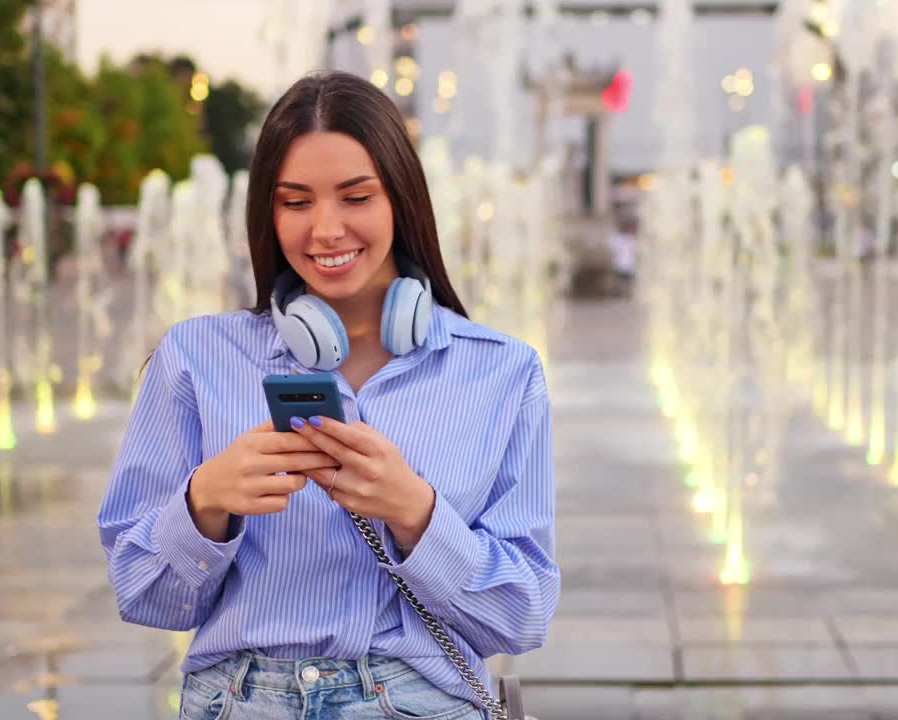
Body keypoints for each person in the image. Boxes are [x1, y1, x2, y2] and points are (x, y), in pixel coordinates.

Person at [97, 72, 559, 720]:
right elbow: (143, 595)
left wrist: (417, 515)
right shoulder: (196, 359)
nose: (326, 229)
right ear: (267, 211)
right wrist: (203, 504)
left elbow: (522, 616)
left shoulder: (503, 374)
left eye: (355, 196)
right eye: (295, 202)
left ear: (401, 197)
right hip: (239, 702)